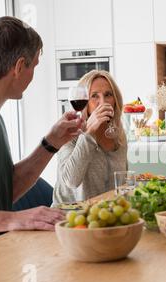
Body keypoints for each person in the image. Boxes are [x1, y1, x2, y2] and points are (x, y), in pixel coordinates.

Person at [0, 17, 84, 250]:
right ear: (18, 67)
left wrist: (50, 144)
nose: (32, 76)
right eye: (33, 66)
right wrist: (14, 219)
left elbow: (6, 191)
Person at [52, 70, 128, 204]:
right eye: (94, 96)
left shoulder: (118, 136)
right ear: (84, 102)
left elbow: (121, 183)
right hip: (69, 217)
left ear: (115, 100)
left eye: (108, 95)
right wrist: (89, 133)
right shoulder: (70, 133)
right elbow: (71, 181)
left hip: (104, 215)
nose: (103, 102)